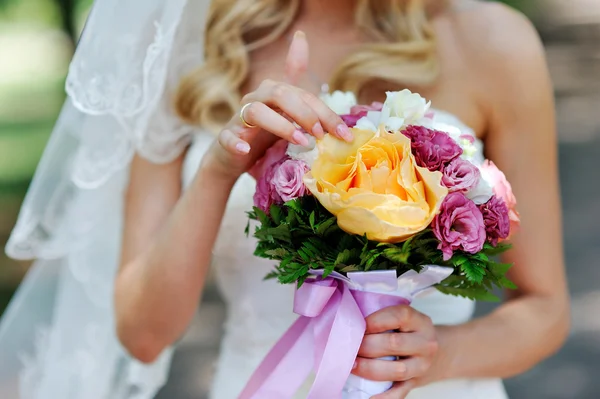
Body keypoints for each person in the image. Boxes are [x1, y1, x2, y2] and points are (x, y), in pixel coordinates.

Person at [0, 0, 569, 398]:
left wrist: (438, 354)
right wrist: (221, 169)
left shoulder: (494, 41)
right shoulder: (185, 42)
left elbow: (546, 309)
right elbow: (143, 335)